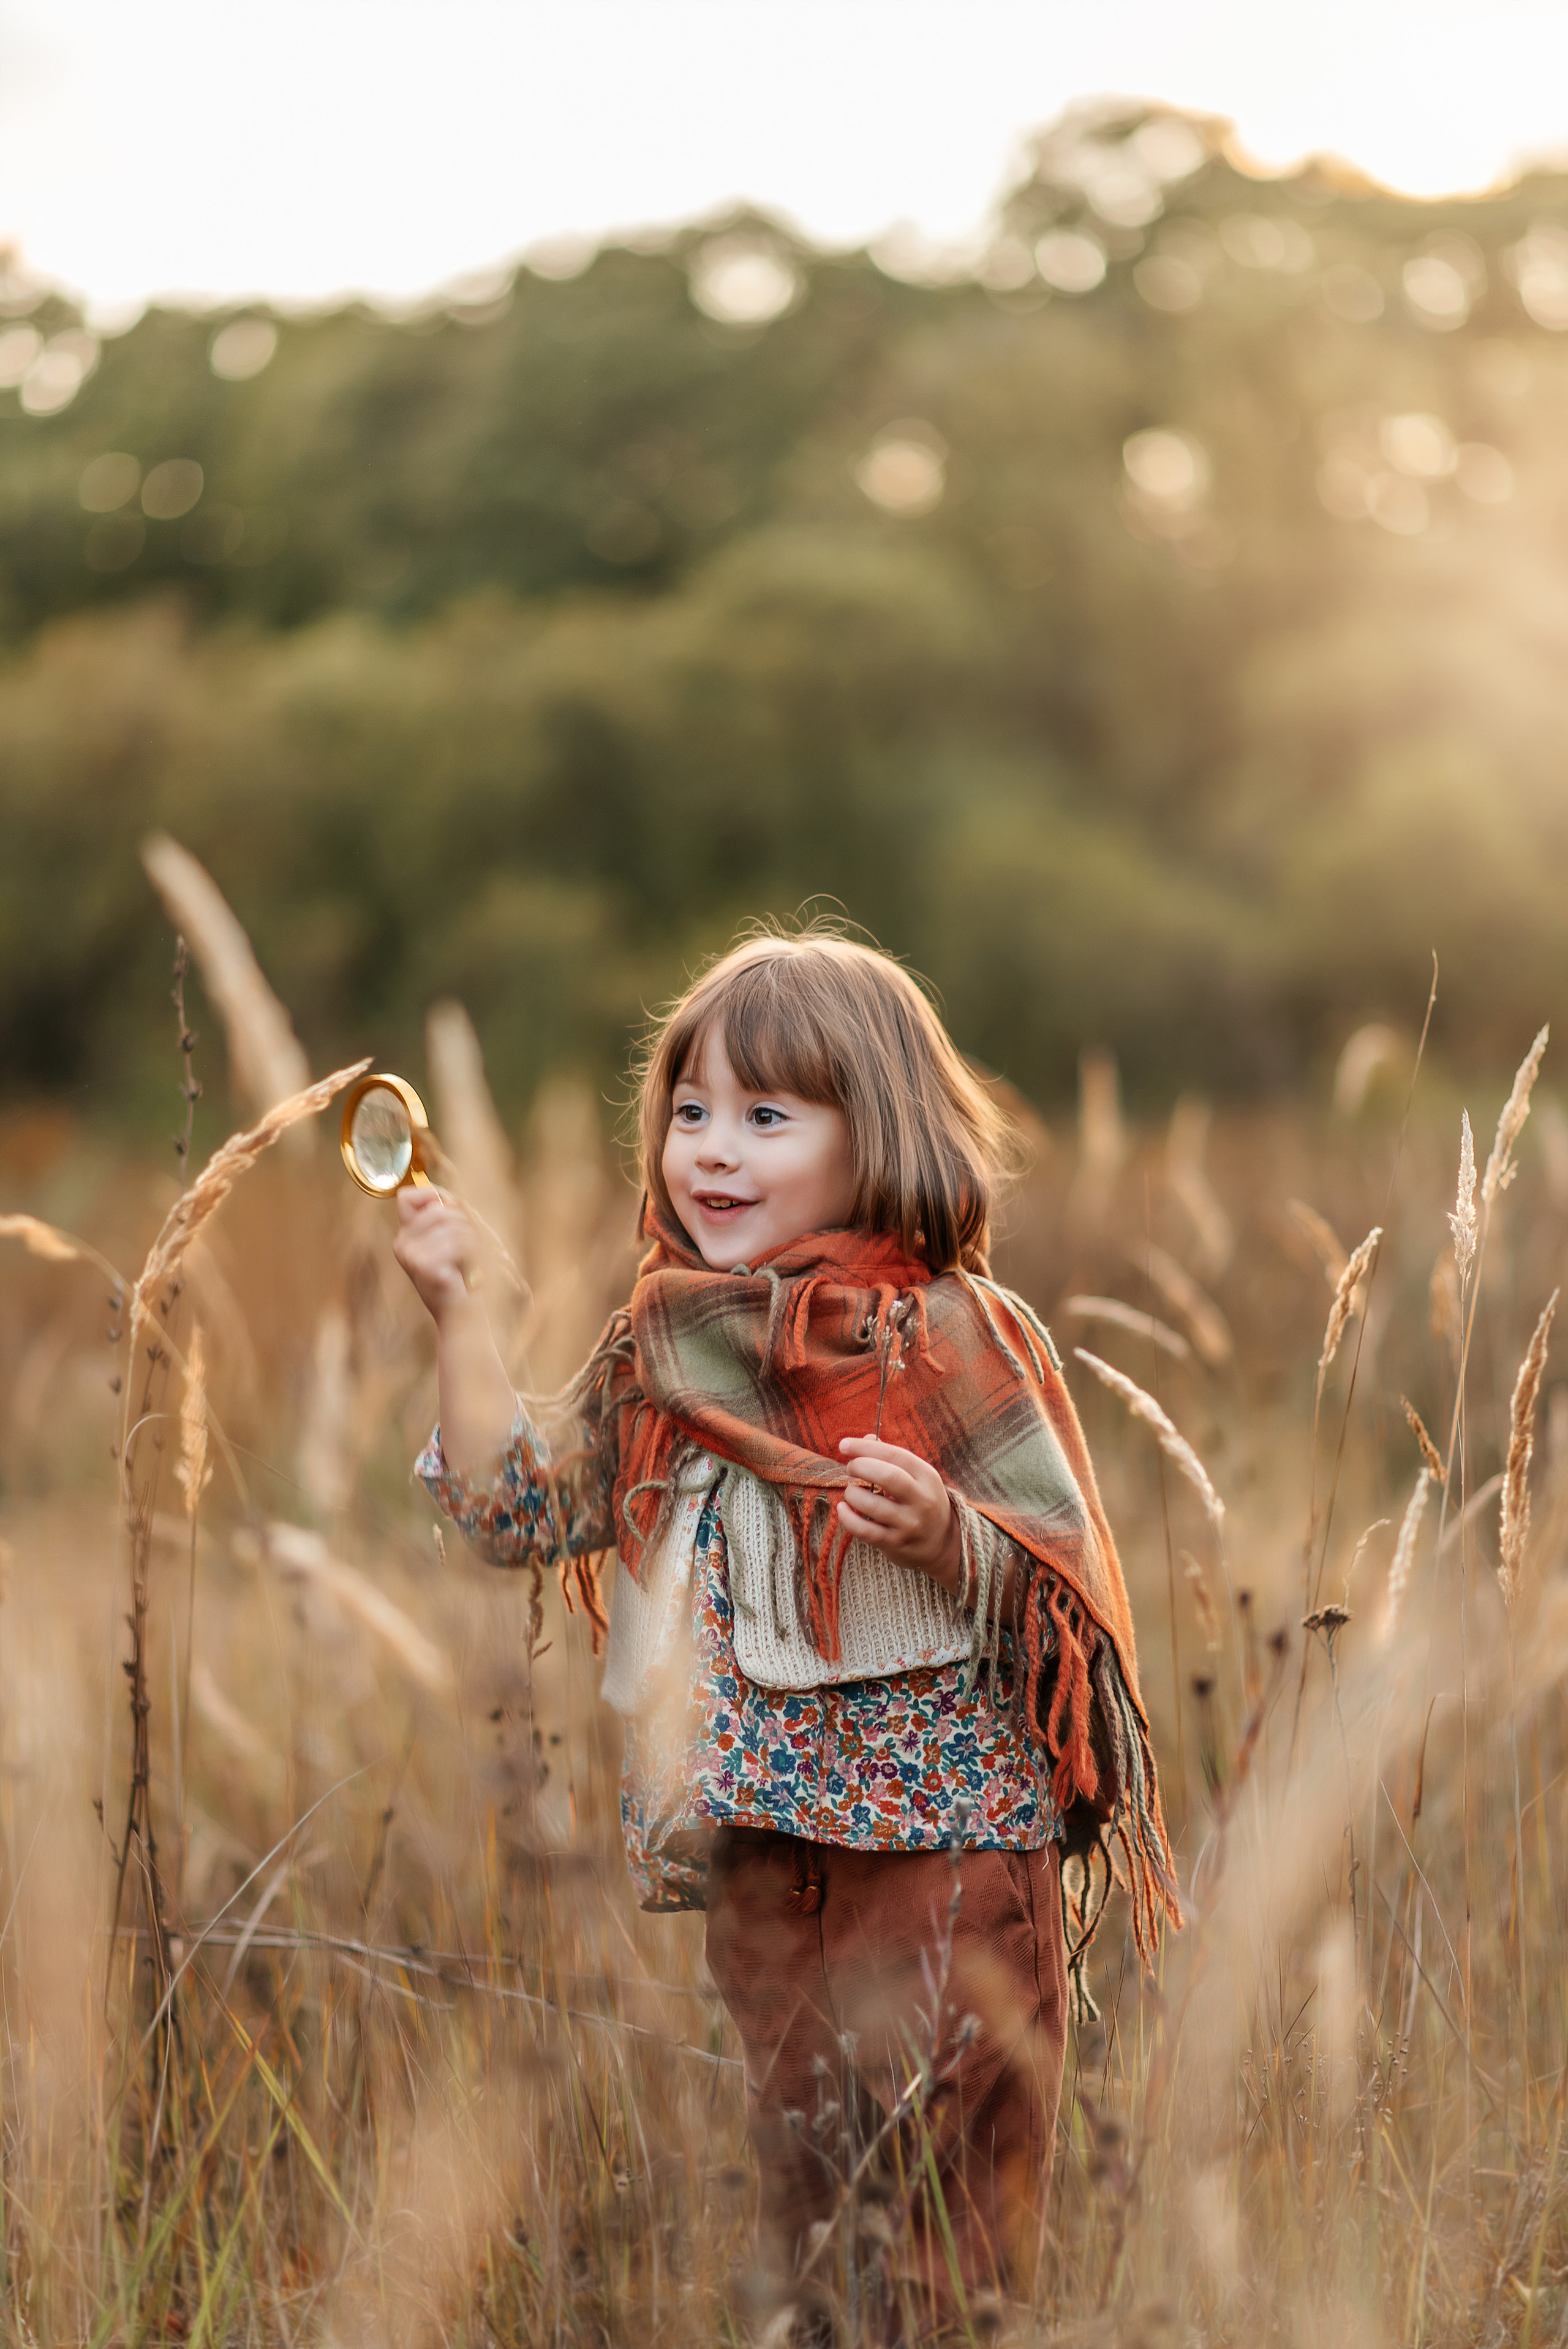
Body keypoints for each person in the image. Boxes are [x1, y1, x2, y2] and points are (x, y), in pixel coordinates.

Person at [394, 928, 1177, 2329]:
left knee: (946, 2251)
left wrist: (949, 1536)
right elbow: (514, 1513)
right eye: (689, 1111)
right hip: (768, 1868)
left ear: (873, 1133)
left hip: (946, 1859)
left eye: (767, 1115)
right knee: (812, 2224)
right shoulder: (669, 1348)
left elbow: (1064, 1592)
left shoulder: (949, 1334)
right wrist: (454, 1312)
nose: (712, 1149)